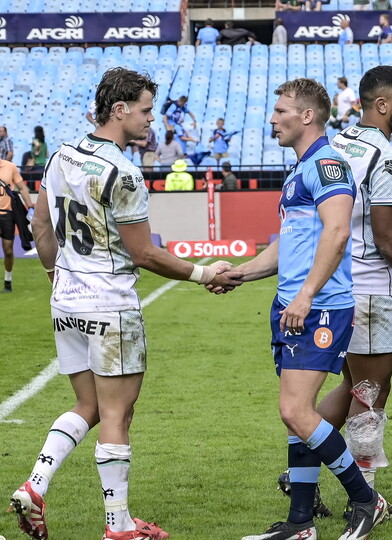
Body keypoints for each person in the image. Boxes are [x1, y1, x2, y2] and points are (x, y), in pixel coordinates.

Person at [8, 67, 240, 540]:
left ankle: (35, 486)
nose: (151, 119)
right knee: (118, 414)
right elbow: (144, 253)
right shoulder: (124, 172)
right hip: (110, 304)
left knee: (88, 403)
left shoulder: (60, 155)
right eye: (146, 109)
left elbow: (40, 230)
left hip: (67, 303)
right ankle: (119, 526)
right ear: (120, 110)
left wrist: (58, 277)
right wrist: (203, 273)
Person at [229, 78, 390, 540]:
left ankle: (365, 500)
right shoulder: (301, 168)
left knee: (297, 412)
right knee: (297, 414)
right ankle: (301, 522)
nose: (273, 118)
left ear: (306, 117)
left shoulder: (329, 165)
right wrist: (239, 274)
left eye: (281, 110)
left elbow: (337, 233)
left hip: (319, 308)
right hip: (294, 306)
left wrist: (305, 295)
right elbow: (290, 245)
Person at [293, 65, 392, 519]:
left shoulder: (331, 146)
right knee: (369, 396)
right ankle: (367, 500)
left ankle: (299, 470)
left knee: (349, 387)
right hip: (370, 291)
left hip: (331, 288)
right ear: (382, 105)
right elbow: (387, 236)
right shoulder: (389, 158)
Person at [0, 158, 33, 293]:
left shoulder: (10, 167)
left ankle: (8, 281)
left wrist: (30, 206)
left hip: (7, 214)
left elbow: (22, 187)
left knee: (8, 250)